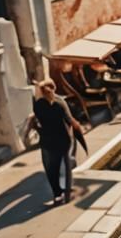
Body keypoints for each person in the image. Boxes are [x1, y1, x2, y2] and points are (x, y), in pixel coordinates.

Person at [30, 78, 83, 206]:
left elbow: (38, 123)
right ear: (54, 88)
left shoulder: (38, 105)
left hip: (47, 141)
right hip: (63, 140)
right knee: (66, 167)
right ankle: (68, 194)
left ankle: (57, 196)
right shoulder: (60, 103)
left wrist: (36, 128)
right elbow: (70, 121)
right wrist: (78, 128)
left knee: (51, 170)